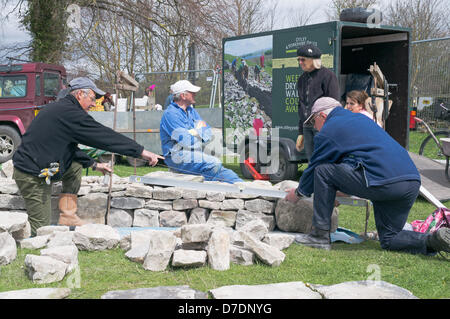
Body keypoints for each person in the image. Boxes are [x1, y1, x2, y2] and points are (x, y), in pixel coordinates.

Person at [284, 97, 450, 256]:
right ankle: (432, 240)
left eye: (314, 122)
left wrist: (298, 193)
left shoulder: (329, 130)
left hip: (383, 181)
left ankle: (319, 236)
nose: (315, 127)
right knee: (389, 238)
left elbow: (315, 168)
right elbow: (354, 164)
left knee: (322, 170)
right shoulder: (360, 121)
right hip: (410, 182)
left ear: (322, 116)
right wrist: (331, 193)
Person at [12, 77, 164, 236]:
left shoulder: (62, 109)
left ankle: (68, 216)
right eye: (92, 98)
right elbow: (104, 137)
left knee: (75, 166)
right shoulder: (70, 113)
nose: (94, 103)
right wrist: (141, 152)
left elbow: (68, 148)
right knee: (42, 231)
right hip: (32, 174)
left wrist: (94, 165)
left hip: (43, 166)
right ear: (79, 95)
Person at [160, 80, 243, 184]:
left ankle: (242, 187)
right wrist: (198, 131)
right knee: (214, 163)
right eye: (192, 92)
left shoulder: (191, 111)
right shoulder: (171, 114)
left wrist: (193, 132)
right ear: (183, 96)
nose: (195, 94)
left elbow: (208, 133)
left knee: (230, 174)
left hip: (194, 153)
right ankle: (208, 187)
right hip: (177, 156)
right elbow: (187, 141)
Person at [295, 44, 340, 162]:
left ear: (313, 60)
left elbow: (334, 104)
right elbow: (301, 105)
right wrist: (301, 132)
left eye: (303, 59)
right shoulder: (301, 79)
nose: (300, 62)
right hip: (307, 126)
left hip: (323, 126)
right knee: (311, 161)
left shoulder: (328, 76)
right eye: (298, 59)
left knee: (324, 160)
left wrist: (329, 128)